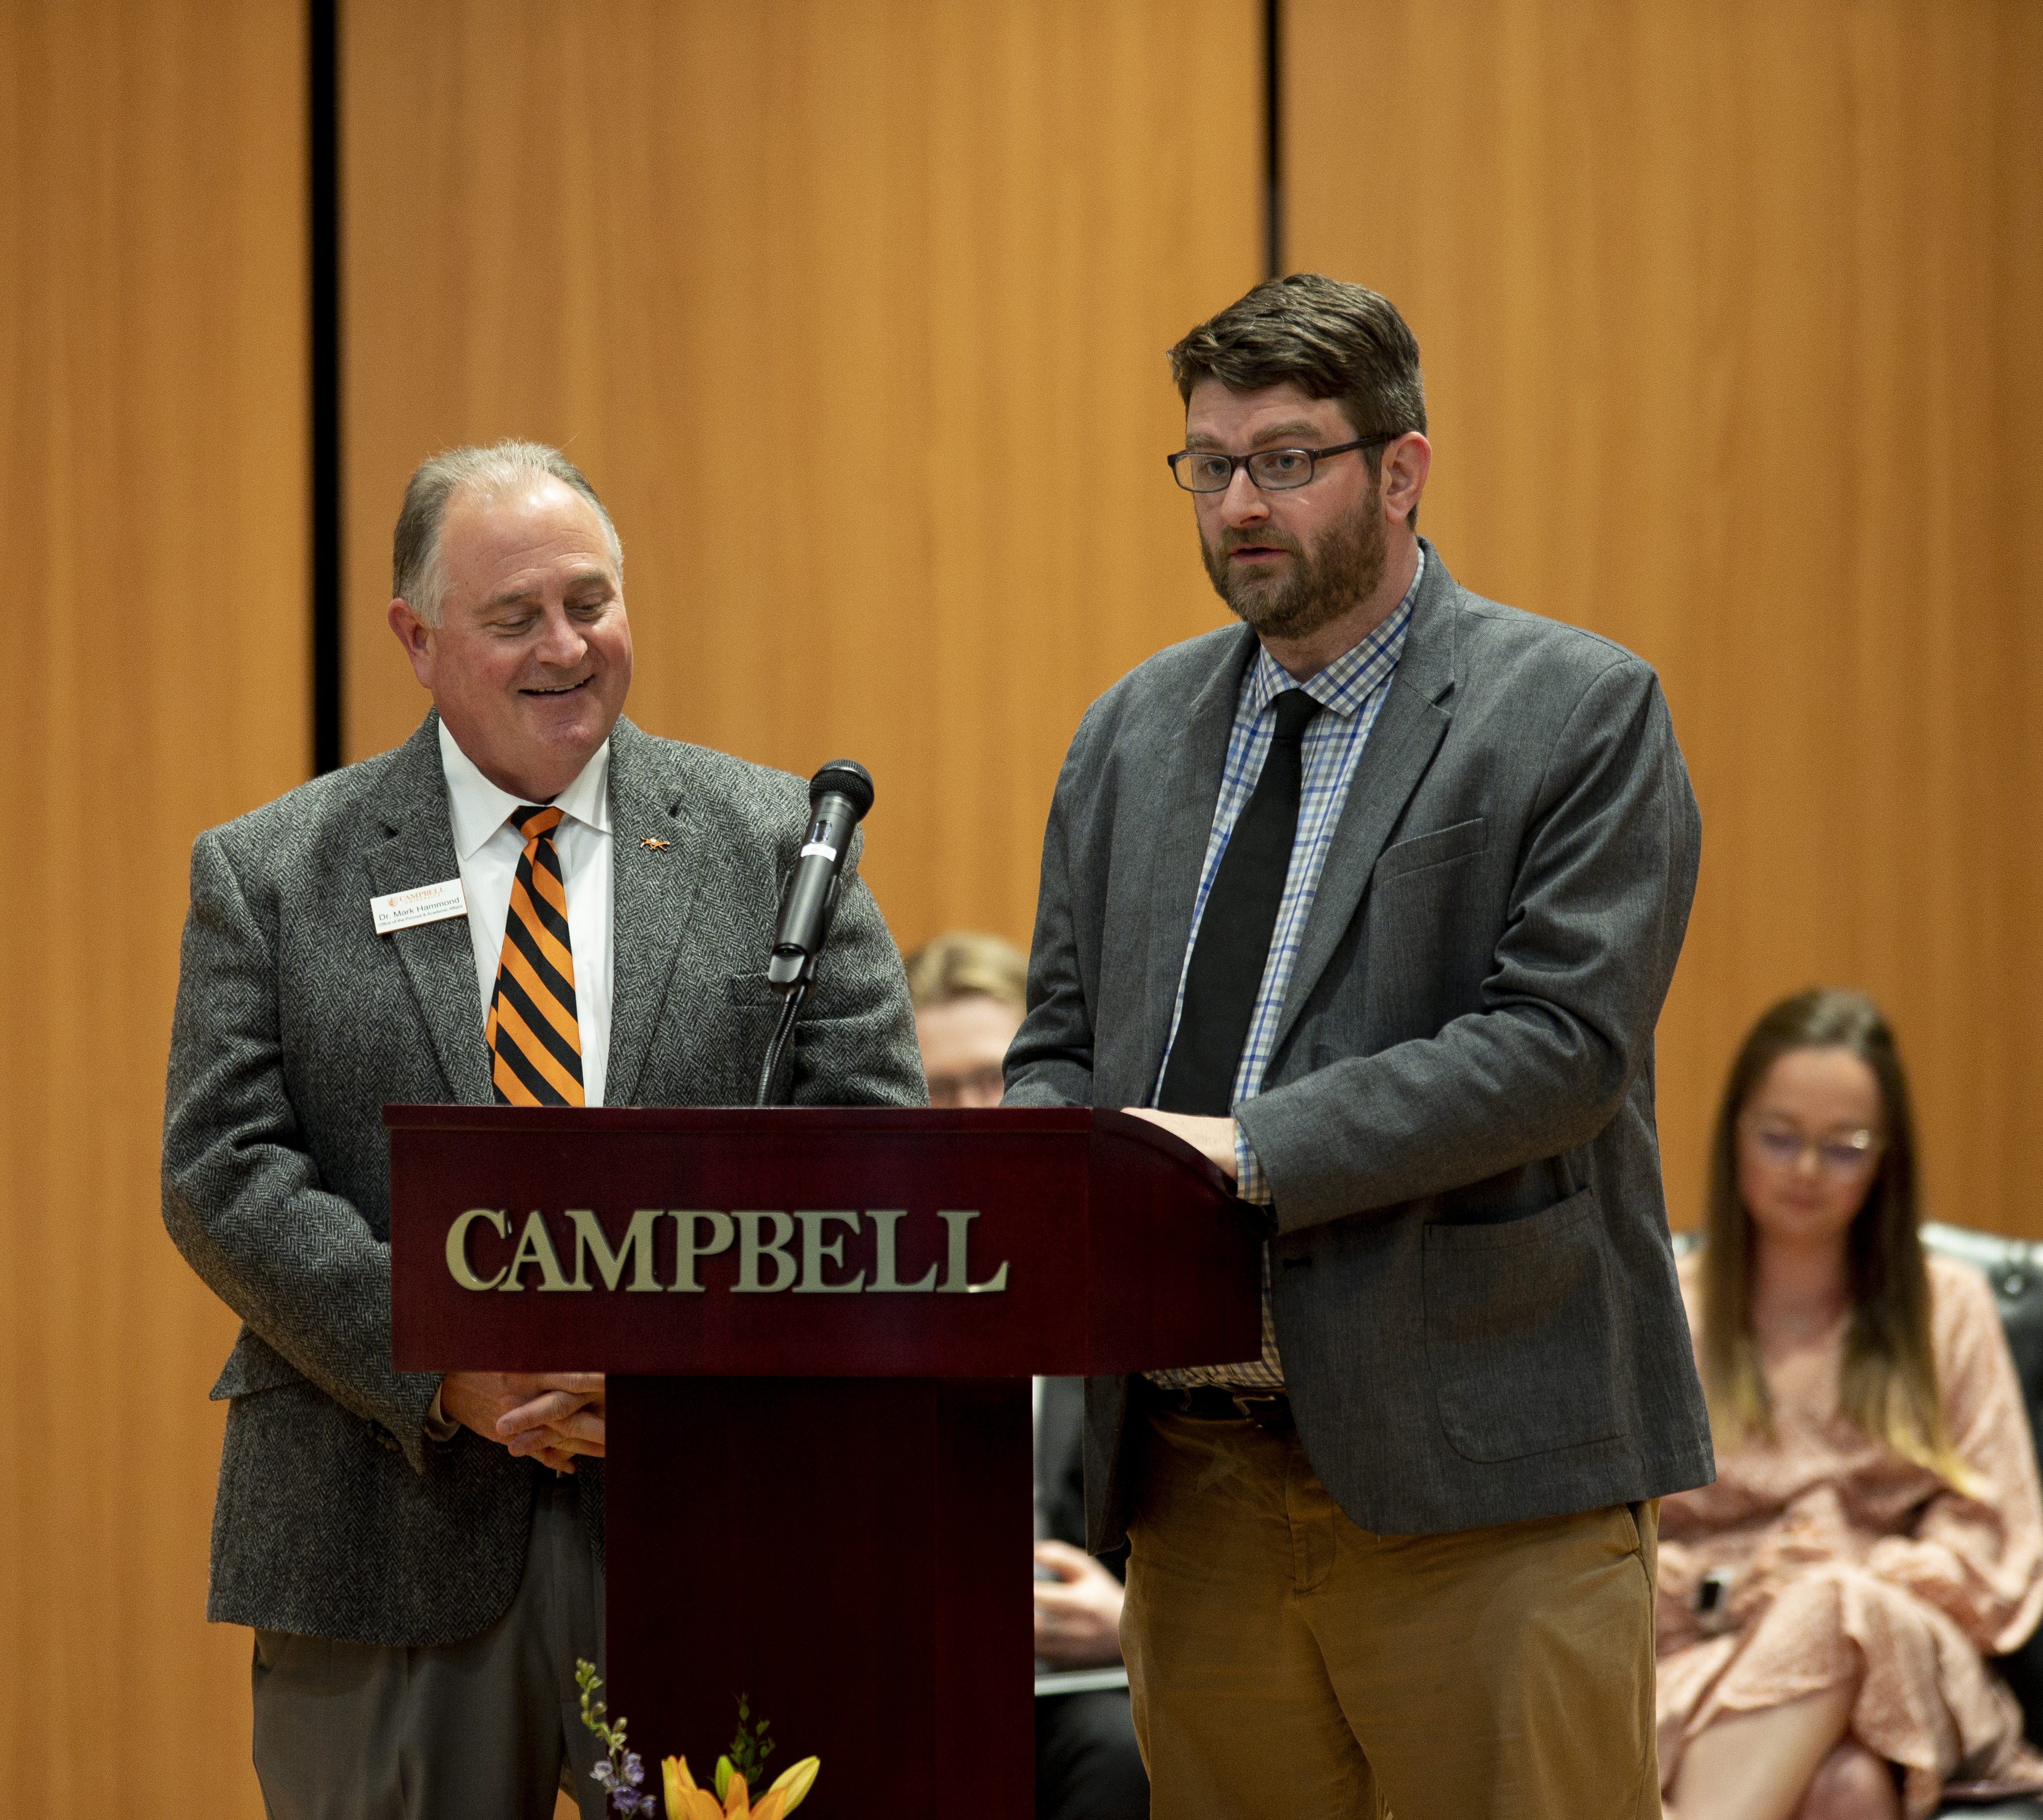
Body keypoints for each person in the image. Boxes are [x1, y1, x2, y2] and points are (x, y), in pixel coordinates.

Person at [1005, 273, 1711, 1819]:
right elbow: (1058, 1040)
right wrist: (1056, 1164)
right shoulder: (1127, 733)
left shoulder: (1576, 710)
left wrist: (1245, 1154)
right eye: (1208, 462)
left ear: (1402, 471)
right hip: (1194, 1485)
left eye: (1286, 457)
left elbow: (1557, 1046)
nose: (1240, 501)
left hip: (1483, 1480)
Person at [162, 441, 923, 1819]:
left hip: (717, 1522)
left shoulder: (777, 844)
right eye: (515, 618)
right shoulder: (273, 872)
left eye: (593, 602)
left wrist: (680, 1376)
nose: (566, 647)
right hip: (385, 1515)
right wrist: (450, 1361)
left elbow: (872, 1162)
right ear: (417, 637)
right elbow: (224, 1174)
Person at [1660, 989, 2043, 1820]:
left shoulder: (1950, 1308)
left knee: (1834, 1610)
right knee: (1847, 1788)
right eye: (1780, 1138)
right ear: (1735, 1135)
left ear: (1886, 1160)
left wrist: (1851, 1575)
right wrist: (1725, 1589)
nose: (1804, 1171)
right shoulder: (1663, 1310)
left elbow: (1999, 1544)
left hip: (1900, 1641)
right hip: (1703, 1647)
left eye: (1843, 1148)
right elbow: (1605, 1539)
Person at [908, 930, 1155, 1820]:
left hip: (1095, 1682)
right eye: (941, 1092)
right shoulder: (851, 1289)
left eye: (998, 1080)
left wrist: (1131, 1624)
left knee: (1128, 1758)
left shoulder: (1140, 1273)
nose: (977, 1116)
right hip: (909, 1679)